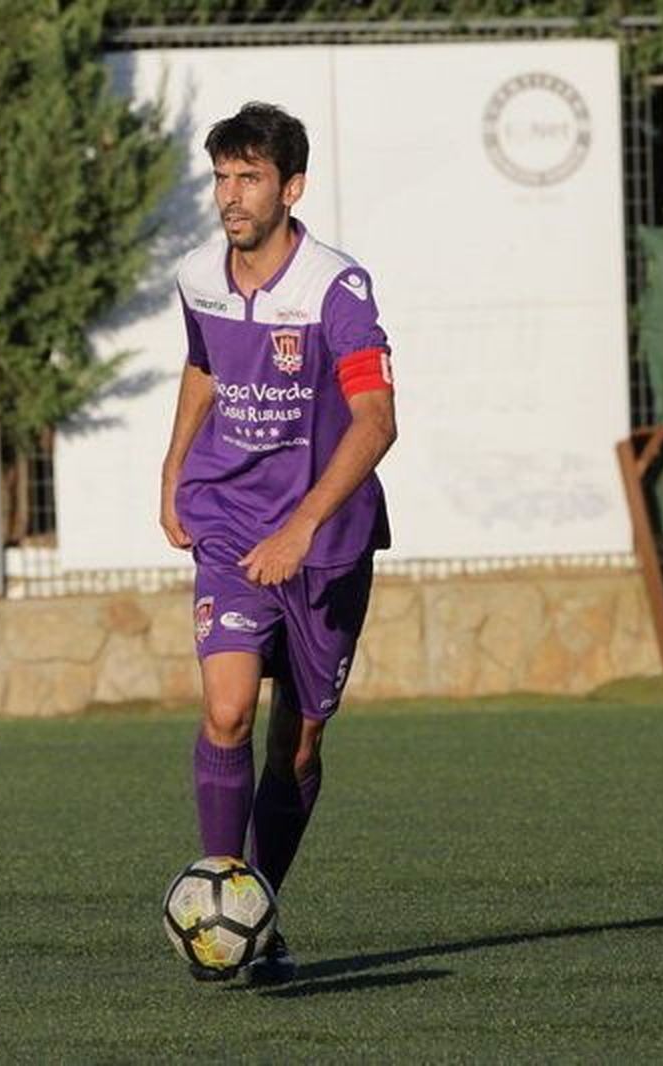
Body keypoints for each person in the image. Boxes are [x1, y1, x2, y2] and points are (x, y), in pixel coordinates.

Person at [159, 102, 397, 986]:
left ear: (291, 188)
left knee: (297, 746)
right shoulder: (198, 277)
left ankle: (256, 912)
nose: (231, 195)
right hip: (228, 525)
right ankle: (222, 904)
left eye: (249, 178)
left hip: (325, 544)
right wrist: (173, 467)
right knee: (226, 710)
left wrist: (304, 525)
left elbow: (377, 421)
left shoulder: (337, 290)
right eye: (222, 176)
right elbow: (204, 365)